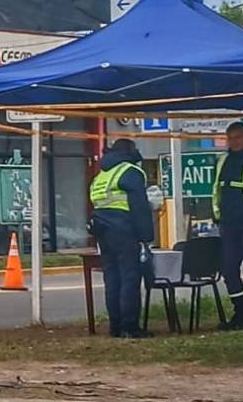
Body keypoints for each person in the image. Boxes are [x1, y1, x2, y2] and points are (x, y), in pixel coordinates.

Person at [89, 138, 155, 338]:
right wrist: (146, 237)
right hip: (124, 230)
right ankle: (130, 327)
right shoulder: (130, 172)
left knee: (112, 278)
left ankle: (115, 326)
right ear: (130, 151)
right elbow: (140, 208)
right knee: (130, 277)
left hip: (103, 232)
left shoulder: (102, 174)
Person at [211, 121, 243, 328]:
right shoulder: (223, 160)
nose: (234, 142)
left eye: (238, 137)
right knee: (229, 269)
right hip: (229, 222)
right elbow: (217, 189)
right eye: (230, 138)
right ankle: (240, 310)